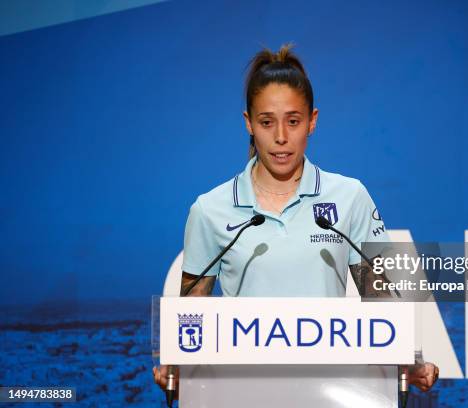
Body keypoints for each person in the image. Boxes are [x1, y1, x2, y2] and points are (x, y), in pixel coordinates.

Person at [153, 43, 439, 399]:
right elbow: (190, 313)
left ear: (312, 121)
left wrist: (409, 358)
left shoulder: (349, 197)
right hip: (241, 395)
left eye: (293, 121)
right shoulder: (210, 209)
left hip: (333, 391)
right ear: (248, 124)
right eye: (267, 122)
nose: (281, 137)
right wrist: (176, 362)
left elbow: (380, 298)